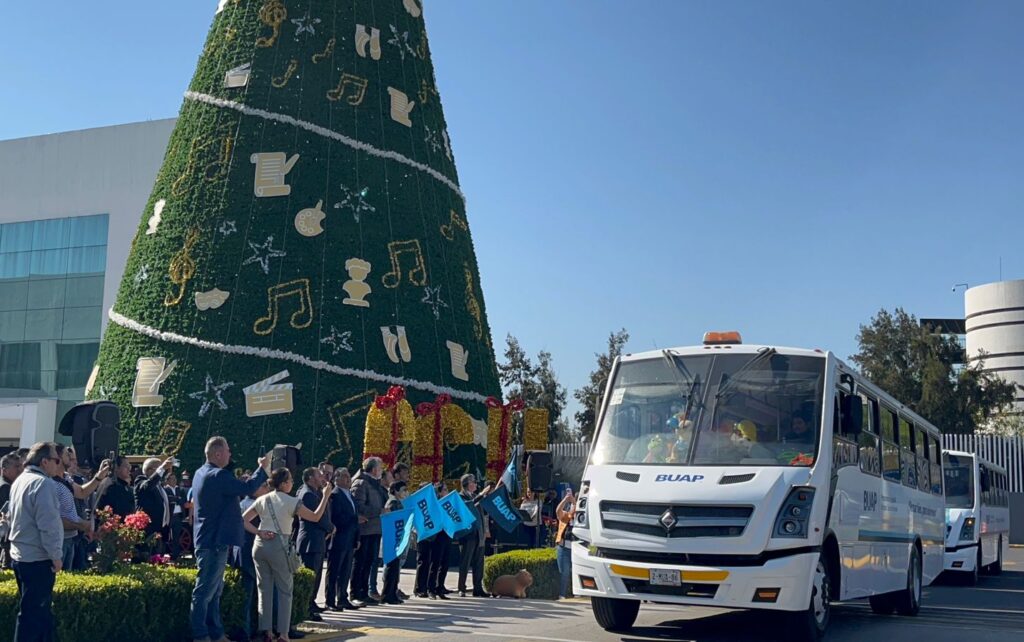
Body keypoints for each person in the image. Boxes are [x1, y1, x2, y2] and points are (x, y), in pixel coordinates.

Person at [190, 437, 269, 642]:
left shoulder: (201, 472)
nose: (230, 454)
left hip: (211, 539)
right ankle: (201, 635)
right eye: (227, 450)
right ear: (217, 454)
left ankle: (216, 633)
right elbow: (248, 488)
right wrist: (262, 468)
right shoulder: (218, 475)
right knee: (205, 591)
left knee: (214, 591)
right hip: (214, 541)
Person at [244, 468, 331, 642]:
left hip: (260, 545)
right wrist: (326, 496)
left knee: (264, 590)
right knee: (285, 590)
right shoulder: (292, 501)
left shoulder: (262, 499)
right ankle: (283, 633)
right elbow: (315, 517)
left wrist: (258, 532)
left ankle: (266, 631)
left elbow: (244, 519)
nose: (292, 482)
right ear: (283, 483)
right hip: (279, 544)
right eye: (290, 479)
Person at [8, 442, 64, 641]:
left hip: (21, 555)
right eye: (56, 460)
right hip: (38, 558)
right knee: (33, 616)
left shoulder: (20, 480)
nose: (59, 465)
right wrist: (56, 556)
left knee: (35, 615)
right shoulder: (43, 483)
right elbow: (48, 524)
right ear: (45, 461)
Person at [296, 467, 334, 620]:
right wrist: (331, 527)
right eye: (319, 475)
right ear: (311, 478)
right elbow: (316, 516)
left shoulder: (314, 492)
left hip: (317, 540)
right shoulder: (307, 494)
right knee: (310, 576)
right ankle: (306, 609)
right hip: (310, 541)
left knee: (316, 575)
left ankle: (310, 605)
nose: (322, 477)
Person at [349, 456, 386, 607]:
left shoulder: (376, 484)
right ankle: (355, 593)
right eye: (380, 467)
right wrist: (379, 511)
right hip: (365, 530)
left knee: (370, 562)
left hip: (375, 529)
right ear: (374, 469)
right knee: (360, 562)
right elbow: (358, 507)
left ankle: (364, 592)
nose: (382, 471)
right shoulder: (361, 483)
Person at [51, 445, 93, 570]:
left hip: (71, 538)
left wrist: (99, 477)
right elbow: (55, 518)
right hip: (59, 540)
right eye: (66, 454)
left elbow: (81, 492)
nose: (70, 458)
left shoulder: (66, 478)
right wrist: (80, 525)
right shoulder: (50, 483)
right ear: (58, 457)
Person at [325, 468, 359, 612]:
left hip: (350, 538)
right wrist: (352, 520)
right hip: (338, 538)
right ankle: (330, 600)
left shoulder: (350, 495)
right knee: (334, 570)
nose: (348, 479)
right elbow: (335, 517)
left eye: (349, 476)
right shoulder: (335, 495)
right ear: (336, 479)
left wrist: (357, 537)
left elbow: (356, 517)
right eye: (344, 476)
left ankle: (343, 598)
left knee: (345, 570)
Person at [135, 457, 175, 554]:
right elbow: (147, 486)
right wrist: (161, 468)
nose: (163, 472)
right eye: (159, 468)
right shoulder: (140, 480)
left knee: (158, 558)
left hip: (160, 529)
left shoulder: (159, 486)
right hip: (148, 529)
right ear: (149, 470)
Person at [456, 474, 486, 597]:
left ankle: (478, 588)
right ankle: (461, 587)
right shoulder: (460, 497)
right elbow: (468, 506)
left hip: (478, 533)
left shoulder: (475, 496)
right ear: (467, 484)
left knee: (479, 562)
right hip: (467, 534)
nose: (475, 484)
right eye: (473, 482)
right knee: (465, 561)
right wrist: (480, 495)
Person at [380, 481, 408, 604]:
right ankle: (387, 594)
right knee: (391, 567)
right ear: (396, 491)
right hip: (392, 538)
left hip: (398, 538)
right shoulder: (392, 503)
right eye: (403, 490)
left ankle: (393, 592)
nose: (405, 492)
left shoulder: (400, 503)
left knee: (396, 567)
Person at [427, 481, 452, 599]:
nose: (447, 492)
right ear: (439, 492)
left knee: (445, 562)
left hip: (447, 534)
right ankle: (431, 588)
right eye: (445, 490)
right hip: (437, 536)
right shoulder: (435, 504)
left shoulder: (449, 504)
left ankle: (440, 587)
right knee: (435, 562)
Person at [1, 452, 25, 569]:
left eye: (21, 465)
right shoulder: (5, 487)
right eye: (16, 466)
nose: (21, 469)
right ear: (4, 470)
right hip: (7, 539)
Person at [555, 487, 576, 599]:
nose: (573, 509)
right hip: (564, 548)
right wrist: (565, 500)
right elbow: (558, 511)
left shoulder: (579, 518)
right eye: (572, 507)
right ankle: (562, 594)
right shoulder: (565, 517)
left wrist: (573, 501)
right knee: (564, 573)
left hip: (576, 549)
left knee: (576, 572)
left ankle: (576, 593)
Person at [165, 472, 187, 558]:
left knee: (177, 536)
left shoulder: (180, 490)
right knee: (166, 535)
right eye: (172, 479)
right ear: (167, 480)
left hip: (178, 516)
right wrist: (177, 499)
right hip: (169, 516)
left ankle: (176, 555)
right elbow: (168, 499)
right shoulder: (165, 490)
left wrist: (176, 499)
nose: (174, 481)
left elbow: (183, 500)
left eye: (175, 479)